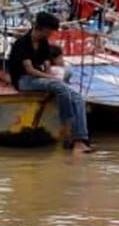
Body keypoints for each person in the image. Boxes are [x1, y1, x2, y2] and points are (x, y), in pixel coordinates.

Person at [6, 12, 93, 153]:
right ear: (42, 28)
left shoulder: (43, 43)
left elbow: (46, 64)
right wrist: (50, 78)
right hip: (24, 81)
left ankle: (80, 140)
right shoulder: (22, 43)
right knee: (60, 87)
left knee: (78, 98)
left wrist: (52, 75)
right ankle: (67, 128)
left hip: (40, 78)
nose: (52, 34)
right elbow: (29, 70)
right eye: (51, 31)